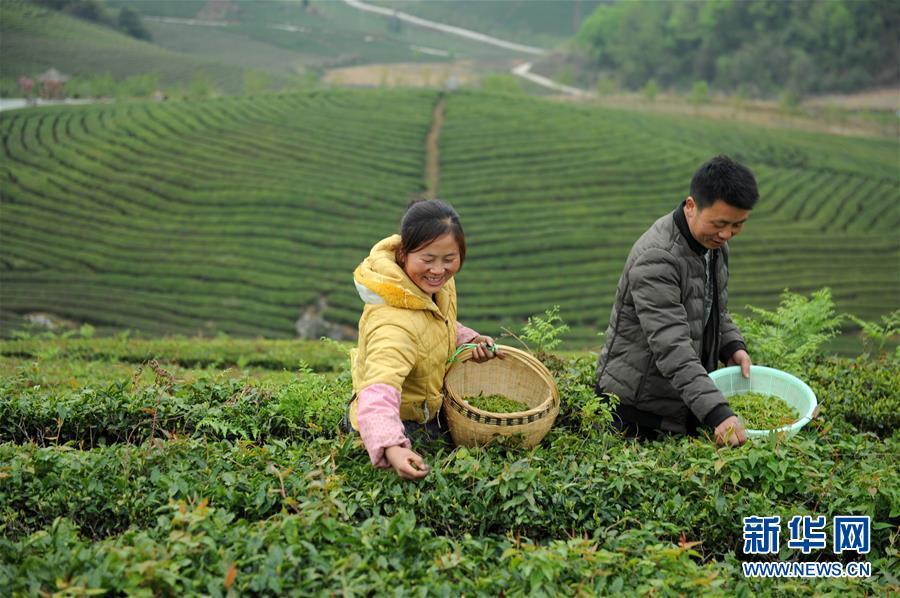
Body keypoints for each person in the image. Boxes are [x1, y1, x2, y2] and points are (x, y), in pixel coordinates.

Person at [595, 155, 758, 447]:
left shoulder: (713, 245)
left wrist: (731, 345)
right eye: (720, 223)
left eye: (738, 225)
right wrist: (717, 412)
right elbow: (672, 346)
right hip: (637, 412)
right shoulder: (657, 257)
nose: (726, 234)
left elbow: (711, 307)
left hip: (678, 402)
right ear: (691, 206)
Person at [346, 199, 501, 479]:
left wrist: (469, 340)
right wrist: (392, 447)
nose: (438, 270)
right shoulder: (393, 321)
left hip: (426, 407)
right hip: (398, 423)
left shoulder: (432, 287)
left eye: (449, 259)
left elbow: (436, 324)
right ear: (404, 254)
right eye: (427, 260)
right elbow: (378, 390)